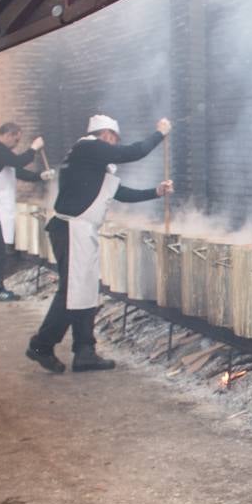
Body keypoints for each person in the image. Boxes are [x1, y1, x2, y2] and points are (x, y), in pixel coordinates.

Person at [26, 114, 173, 374]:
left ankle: (85, 352)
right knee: (71, 291)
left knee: (84, 291)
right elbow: (133, 152)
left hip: (81, 231)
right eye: (113, 139)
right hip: (71, 229)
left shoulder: (93, 162)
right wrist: (159, 134)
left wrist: (156, 192)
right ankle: (41, 345)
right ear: (105, 135)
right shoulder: (87, 146)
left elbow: (121, 193)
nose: (114, 145)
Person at [0, 122, 54, 301]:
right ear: (8, 134)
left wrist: (40, 176)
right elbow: (19, 162)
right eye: (16, 140)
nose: (17, 144)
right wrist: (33, 148)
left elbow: (17, 171)